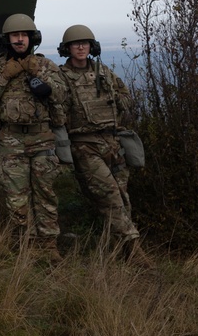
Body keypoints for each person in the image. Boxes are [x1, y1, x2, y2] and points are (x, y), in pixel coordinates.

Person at [58, 24, 150, 265]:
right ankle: (135, 250)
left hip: (112, 142)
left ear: (91, 47)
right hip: (84, 145)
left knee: (122, 198)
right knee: (110, 196)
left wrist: (117, 100)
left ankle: (119, 252)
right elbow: (56, 110)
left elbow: (126, 98)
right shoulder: (61, 77)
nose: (80, 47)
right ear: (67, 48)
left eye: (85, 43)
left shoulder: (104, 72)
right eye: (75, 44)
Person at [0, 13, 67, 262]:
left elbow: (61, 96)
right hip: (11, 141)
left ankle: (49, 245)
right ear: (7, 39)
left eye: (24, 35)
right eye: (15, 36)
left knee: (45, 195)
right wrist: (5, 76)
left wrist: (41, 78)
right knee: (16, 198)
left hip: (42, 139)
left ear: (32, 38)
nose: (20, 40)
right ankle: (25, 245)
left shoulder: (45, 65)